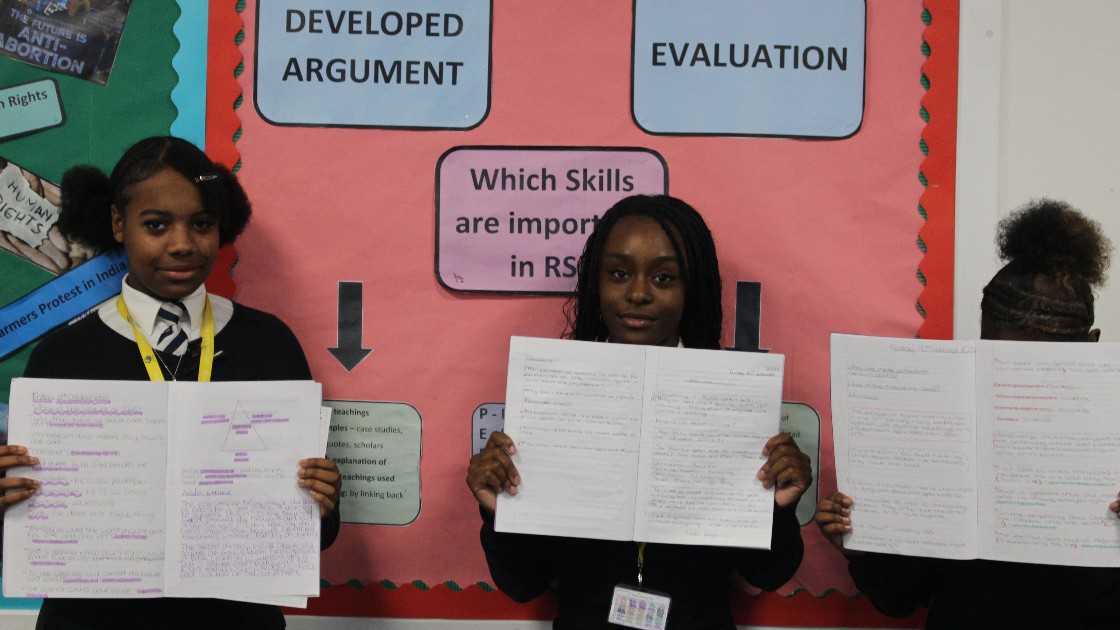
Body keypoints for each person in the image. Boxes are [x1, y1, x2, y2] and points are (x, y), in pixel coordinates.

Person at [0, 136, 342, 629]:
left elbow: (314, 536)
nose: (182, 244)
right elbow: (27, 534)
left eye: (201, 224)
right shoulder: (64, 356)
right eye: (156, 225)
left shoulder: (269, 344)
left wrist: (323, 502)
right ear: (119, 223)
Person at [466, 194, 812, 629]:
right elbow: (522, 583)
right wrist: (497, 510)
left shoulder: (731, 405)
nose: (637, 294)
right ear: (597, 281)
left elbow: (769, 574)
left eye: (665, 278)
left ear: (694, 288)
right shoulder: (550, 403)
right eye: (619, 273)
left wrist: (777, 510)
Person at [815, 198, 1120, 628]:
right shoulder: (946, 438)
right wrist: (865, 548)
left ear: (1089, 348)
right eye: (994, 359)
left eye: (1038, 367)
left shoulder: (1114, 449)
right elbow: (904, 599)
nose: (1016, 385)